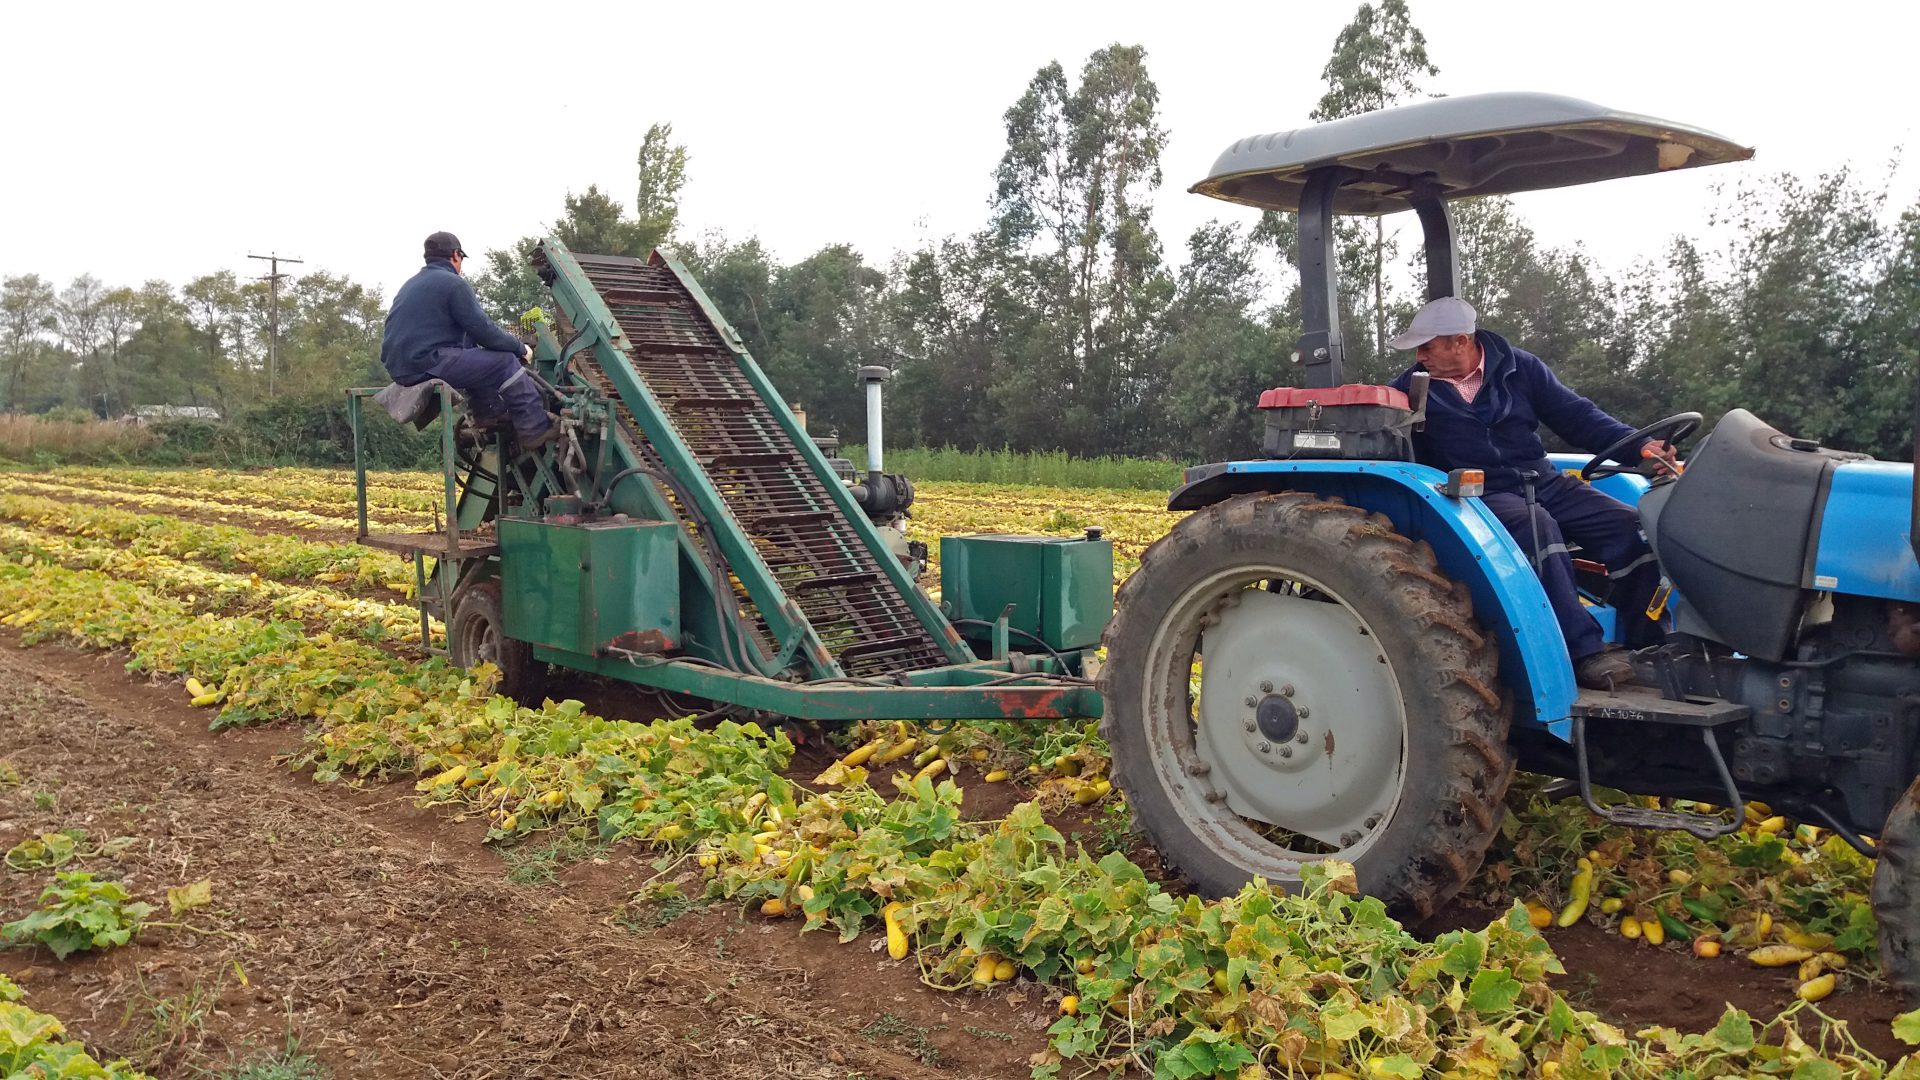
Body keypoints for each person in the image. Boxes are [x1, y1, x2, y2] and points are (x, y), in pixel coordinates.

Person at [1386, 296, 1671, 690]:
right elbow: (1390, 445)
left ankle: (1650, 645)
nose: (1420, 356)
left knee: (1631, 525)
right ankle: (1583, 653)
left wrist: (1638, 446)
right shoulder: (1409, 390)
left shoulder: (1521, 368)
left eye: (1427, 345)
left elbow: (1579, 417)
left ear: (1460, 341)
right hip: (1480, 493)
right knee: (1535, 526)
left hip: (1543, 480)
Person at [379, 231, 556, 447]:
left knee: (469, 345)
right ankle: (534, 429)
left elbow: (472, 335)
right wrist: (520, 349)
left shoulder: (411, 284)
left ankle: (488, 416)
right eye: (460, 259)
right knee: (504, 362)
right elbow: (484, 330)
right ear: (455, 255)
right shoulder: (453, 283)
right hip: (426, 362)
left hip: (400, 367)